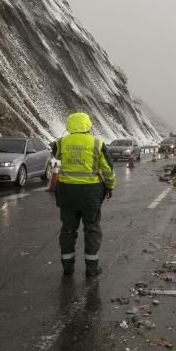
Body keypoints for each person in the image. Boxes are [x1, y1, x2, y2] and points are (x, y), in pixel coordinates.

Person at [52, 112, 116, 276]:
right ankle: (91, 268)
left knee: (68, 229)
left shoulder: (62, 142)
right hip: (90, 193)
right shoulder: (97, 143)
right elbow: (108, 169)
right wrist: (110, 187)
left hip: (67, 193)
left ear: (69, 125)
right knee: (92, 229)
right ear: (88, 125)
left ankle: (67, 266)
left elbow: (56, 155)